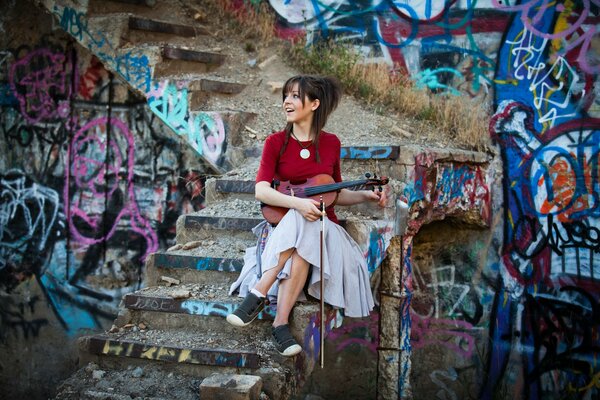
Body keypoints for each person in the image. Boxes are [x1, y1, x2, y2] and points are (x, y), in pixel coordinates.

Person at [226, 74, 386, 356]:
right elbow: (262, 191)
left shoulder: (331, 144)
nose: (287, 101)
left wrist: (364, 195)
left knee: (311, 218)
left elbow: (332, 193)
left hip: (328, 232)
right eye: (286, 96)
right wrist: (298, 204)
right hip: (291, 230)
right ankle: (280, 324)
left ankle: (259, 292)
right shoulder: (275, 143)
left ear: (314, 104)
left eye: (295, 96)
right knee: (303, 219)